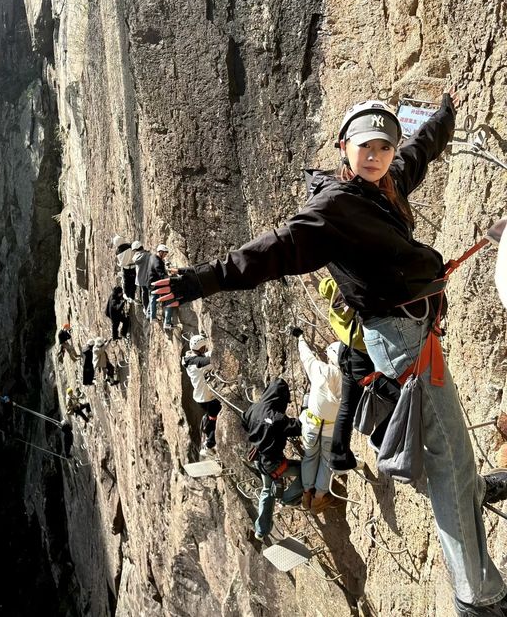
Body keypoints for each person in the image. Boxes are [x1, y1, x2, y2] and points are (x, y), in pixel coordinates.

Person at [154, 90, 507, 616]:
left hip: (414, 338)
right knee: (448, 462)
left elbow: (419, 152)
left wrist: (445, 115)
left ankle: (474, 491)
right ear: (344, 148)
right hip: (406, 347)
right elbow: (270, 251)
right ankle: (477, 598)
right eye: (365, 146)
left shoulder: (381, 187)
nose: (377, 154)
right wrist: (197, 282)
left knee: (450, 451)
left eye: (383, 146)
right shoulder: (333, 208)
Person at [314, 276, 400, 471]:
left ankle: (338, 457)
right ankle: (380, 438)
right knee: (404, 396)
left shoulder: (339, 297)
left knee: (346, 409)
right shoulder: (356, 295)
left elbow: (324, 286)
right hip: (364, 366)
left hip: (347, 358)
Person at [241, 379, 303, 540]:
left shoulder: (253, 408)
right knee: (306, 469)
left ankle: (261, 530)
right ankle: (288, 498)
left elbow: (245, 423)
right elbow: (298, 427)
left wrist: (260, 436)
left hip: (258, 458)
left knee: (267, 490)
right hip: (274, 464)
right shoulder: (277, 418)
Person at [292, 330, 342, 513]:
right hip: (330, 429)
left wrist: (300, 338)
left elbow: (306, 356)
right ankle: (319, 498)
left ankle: (306, 493)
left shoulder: (320, 369)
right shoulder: (347, 379)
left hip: (312, 426)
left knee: (310, 457)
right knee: (326, 461)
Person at [181, 334, 222, 457]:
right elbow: (212, 361)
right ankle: (209, 445)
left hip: (201, 397)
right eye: (204, 347)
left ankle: (207, 427)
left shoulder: (188, 358)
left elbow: (204, 357)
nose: (205, 348)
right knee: (214, 418)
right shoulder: (199, 364)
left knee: (211, 416)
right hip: (207, 398)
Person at [147, 244, 175, 329]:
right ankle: (166, 322)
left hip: (152, 282)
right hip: (156, 283)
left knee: (153, 299)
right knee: (168, 298)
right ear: (160, 252)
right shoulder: (157, 261)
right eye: (165, 254)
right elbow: (161, 273)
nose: (165, 256)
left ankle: (151, 316)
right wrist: (171, 279)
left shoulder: (154, 257)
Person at [132, 243, 153, 312]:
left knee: (144, 293)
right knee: (150, 293)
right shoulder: (147, 255)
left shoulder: (136, 256)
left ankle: (145, 307)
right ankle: (149, 308)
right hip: (148, 277)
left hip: (140, 278)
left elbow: (135, 259)